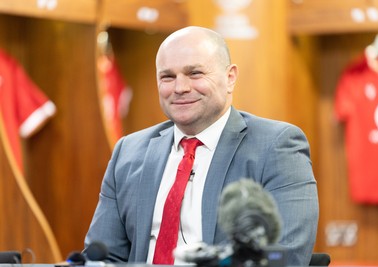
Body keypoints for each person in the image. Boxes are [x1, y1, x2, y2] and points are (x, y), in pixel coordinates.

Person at [84, 26, 319, 266]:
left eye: (195, 73)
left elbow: (283, 258)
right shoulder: (128, 152)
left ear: (230, 78)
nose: (180, 88)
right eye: (167, 76)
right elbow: (102, 257)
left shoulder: (277, 146)